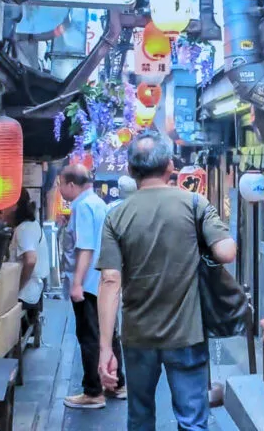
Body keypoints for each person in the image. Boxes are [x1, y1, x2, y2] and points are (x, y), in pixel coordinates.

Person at [96, 132, 237, 431]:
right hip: (186, 333)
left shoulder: (116, 216)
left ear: (131, 171)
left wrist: (105, 348)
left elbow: (110, 281)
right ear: (170, 166)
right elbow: (226, 252)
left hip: (137, 335)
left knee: (140, 418)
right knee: (192, 421)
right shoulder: (194, 204)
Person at [58, 164, 126, 409]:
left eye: (60, 185)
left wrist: (76, 283)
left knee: (89, 336)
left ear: (72, 185)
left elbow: (85, 246)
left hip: (88, 284)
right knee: (108, 332)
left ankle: (93, 391)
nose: (59, 190)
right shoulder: (97, 203)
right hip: (102, 282)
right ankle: (116, 384)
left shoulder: (83, 206)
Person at [9, 192, 48, 343]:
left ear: (14, 207)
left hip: (27, 292)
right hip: (33, 287)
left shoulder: (24, 229)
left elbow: (30, 260)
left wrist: (17, 287)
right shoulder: (31, 225)